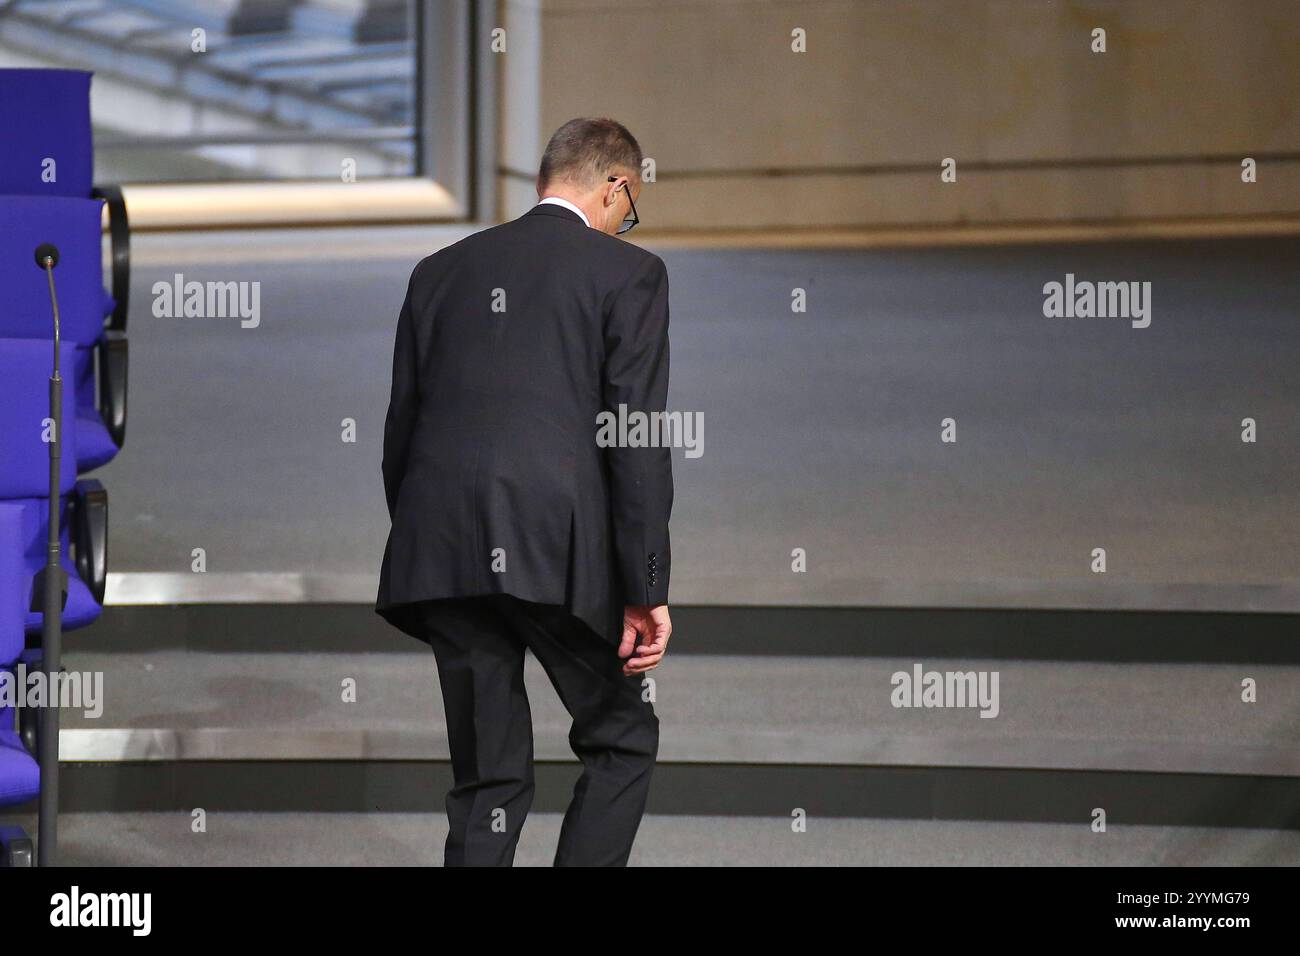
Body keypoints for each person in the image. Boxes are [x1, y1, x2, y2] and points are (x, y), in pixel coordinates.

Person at [375, 117, 673, 866]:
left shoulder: (439, 269)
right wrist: (644, 585)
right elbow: (632, 433)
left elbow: (401, 431)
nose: (623, 223)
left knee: (487, 779)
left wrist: (434, 544)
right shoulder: (627, 274)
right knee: (621, 737)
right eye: (626, 208)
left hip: (440, 545)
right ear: (616, 187)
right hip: (552, 548)